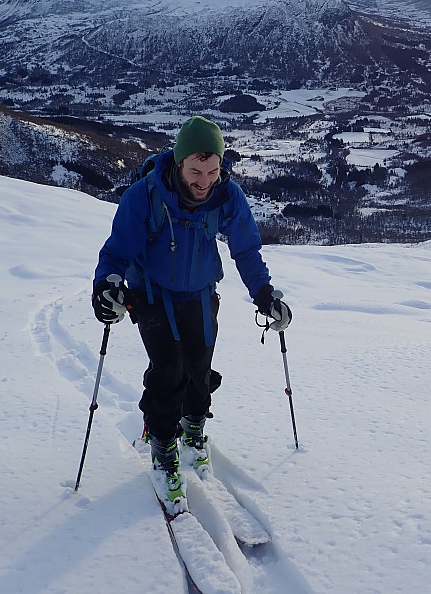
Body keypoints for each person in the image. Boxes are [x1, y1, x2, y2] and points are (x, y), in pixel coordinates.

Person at [92, 115, 292, 513]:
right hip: (150, 292)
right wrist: (106, 287)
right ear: (179, 163)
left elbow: (246, 250)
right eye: (196, 171)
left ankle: (193, 427)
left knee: (199, 369)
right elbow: (116, 252)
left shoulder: (228, 197)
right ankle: (163, 446)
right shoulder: (145, 195)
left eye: (213, 171)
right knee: (168, 368)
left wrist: (264, 293)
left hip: (200, 292)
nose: (204, 181)